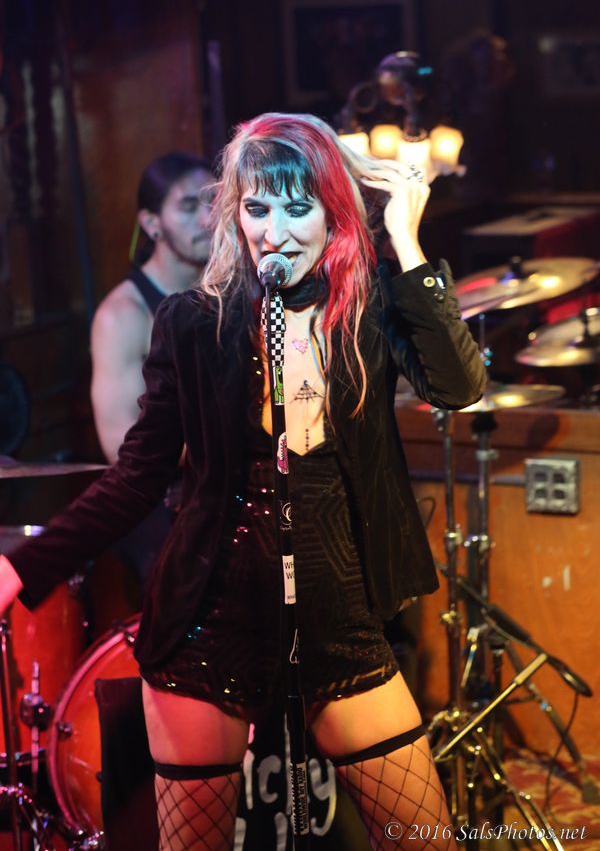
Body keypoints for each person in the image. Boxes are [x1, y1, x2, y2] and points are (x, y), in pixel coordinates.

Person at [0, 112, 486, 850]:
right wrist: (19, 568)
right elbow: (136, 478)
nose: (275, 232)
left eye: (297, 208)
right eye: (257, 209)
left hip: (340, 622)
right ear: (236, 214)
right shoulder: (195, 323)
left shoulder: (369, 311)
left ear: (335, 214)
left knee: (425, 837)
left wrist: (408, 242)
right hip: (207, 621)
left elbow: (458, 386)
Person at [90, 151, 213, 588]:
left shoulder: (233, 291)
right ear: (151, 223)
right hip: (160, 502)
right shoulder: (123, 315)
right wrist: (227, 439)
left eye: (214, 202)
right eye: (189, 206)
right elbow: (121, 446)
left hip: (224, 488)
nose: (208, 219)